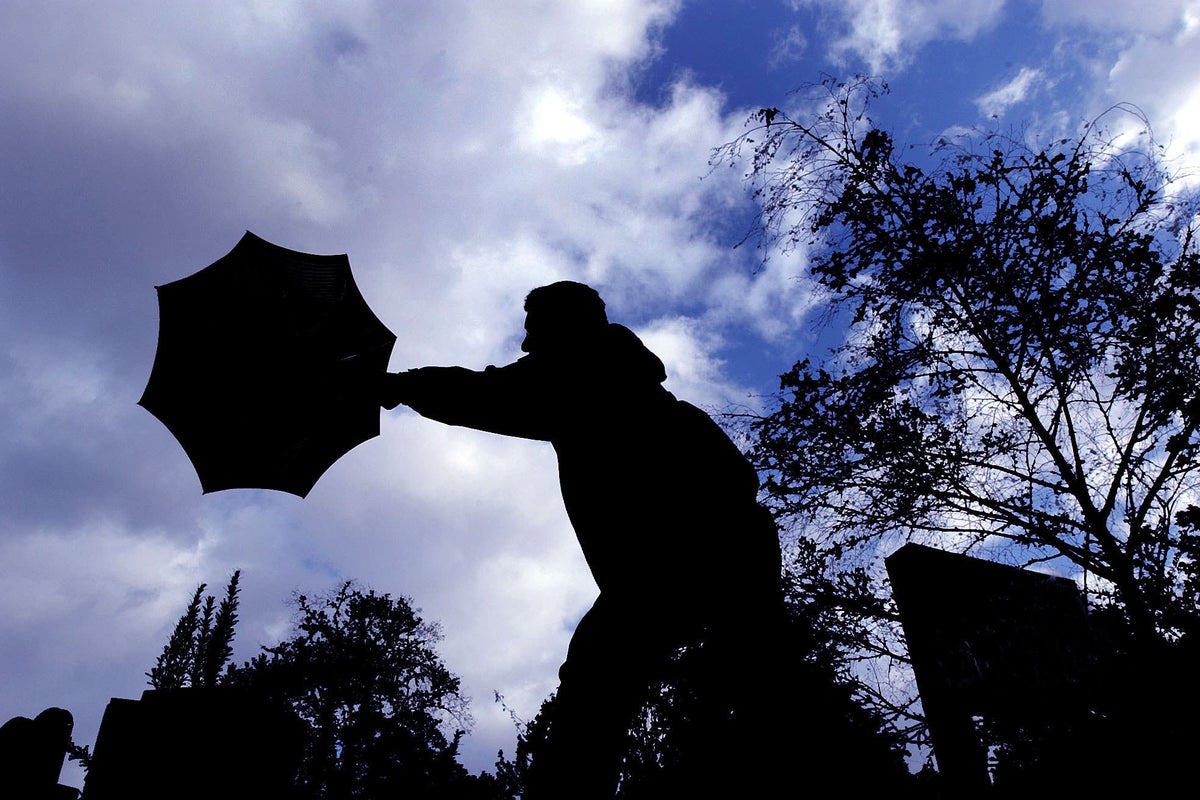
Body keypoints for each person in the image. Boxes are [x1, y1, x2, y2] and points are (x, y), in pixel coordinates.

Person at [378, 281, 785, 798]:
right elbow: (740, 482)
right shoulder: (637, 387)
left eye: (536, 334)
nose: (528, 348)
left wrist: (398, 386)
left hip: (674, 571)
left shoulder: (580, 377)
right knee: (759, 691)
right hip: (722, 559)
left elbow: (484, 394)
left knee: (599, 686)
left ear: (565, 329)